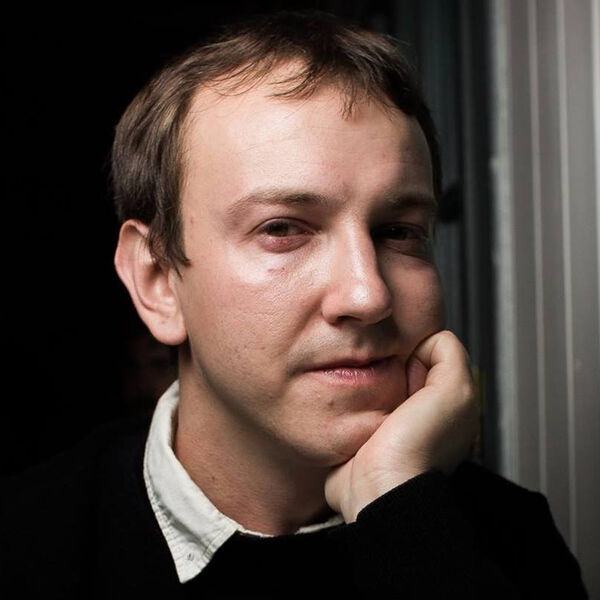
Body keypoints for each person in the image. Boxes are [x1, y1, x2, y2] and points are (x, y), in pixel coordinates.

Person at [2, 11, 587, 599]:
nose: (368, 294)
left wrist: (398, 504)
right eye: (283, 228)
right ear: (158, 280)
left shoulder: (509, 542)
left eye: (399, 231)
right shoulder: (27, 547)